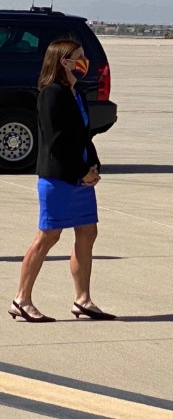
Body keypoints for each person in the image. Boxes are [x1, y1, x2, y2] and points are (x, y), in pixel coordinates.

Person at [10, 40, 114, 324]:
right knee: (48, 236)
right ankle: (22, 299)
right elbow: (57, 141)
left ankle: (83, 300)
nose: (85, 61)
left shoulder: (75, 92)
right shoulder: (51, 94)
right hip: (60, 177)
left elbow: (84, 135)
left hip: (81, 176)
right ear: (63, 62)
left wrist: (93, 165)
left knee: (87, 232)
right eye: (79, 57)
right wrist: (80, 171)